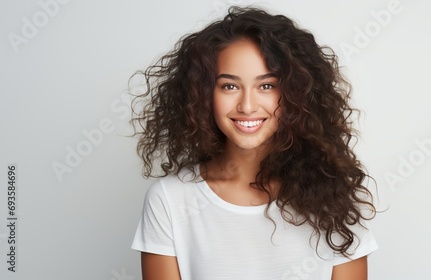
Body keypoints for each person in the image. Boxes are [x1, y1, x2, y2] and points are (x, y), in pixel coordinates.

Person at [131, 6, 378, 280]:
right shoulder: (170, 200)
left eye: (266, 86)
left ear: (296, 94)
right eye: (229, 86)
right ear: (202, 95)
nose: (247, 106)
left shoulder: (337, 198)